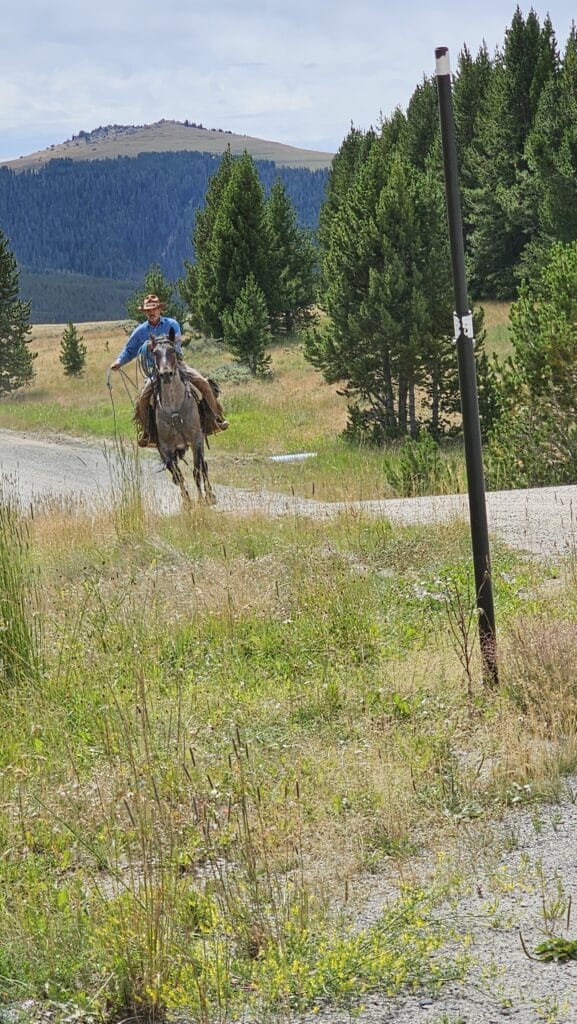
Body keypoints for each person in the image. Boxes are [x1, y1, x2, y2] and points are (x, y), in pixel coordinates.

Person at [109, 294, 229, 446]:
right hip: (155, 371)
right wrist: (119, 361)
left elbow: (176, 345)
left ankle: (216, 418)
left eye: (154, 309)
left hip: (177, 366)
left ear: (159, 310)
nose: (151, 312)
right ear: (145, 312)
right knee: (143, 399)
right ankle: (147, 432)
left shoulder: (172, 324)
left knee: (203, 383)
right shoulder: (140, 331)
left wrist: (159, 346)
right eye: (148, 310)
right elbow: (129, 350)